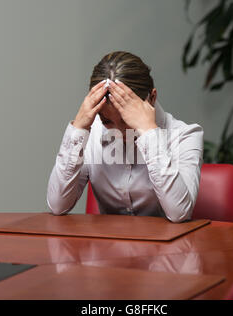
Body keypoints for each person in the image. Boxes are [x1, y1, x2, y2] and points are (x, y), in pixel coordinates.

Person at [46, 51, 204, 223]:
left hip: (166, 248)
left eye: (126, 120)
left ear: (152, 98)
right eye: (107, 121)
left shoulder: (186, 135)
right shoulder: (93, 133)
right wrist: (78, 128)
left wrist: (148, 132)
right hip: (108, 247)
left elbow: (179, 213)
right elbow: (57, 205)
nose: (120, 132)